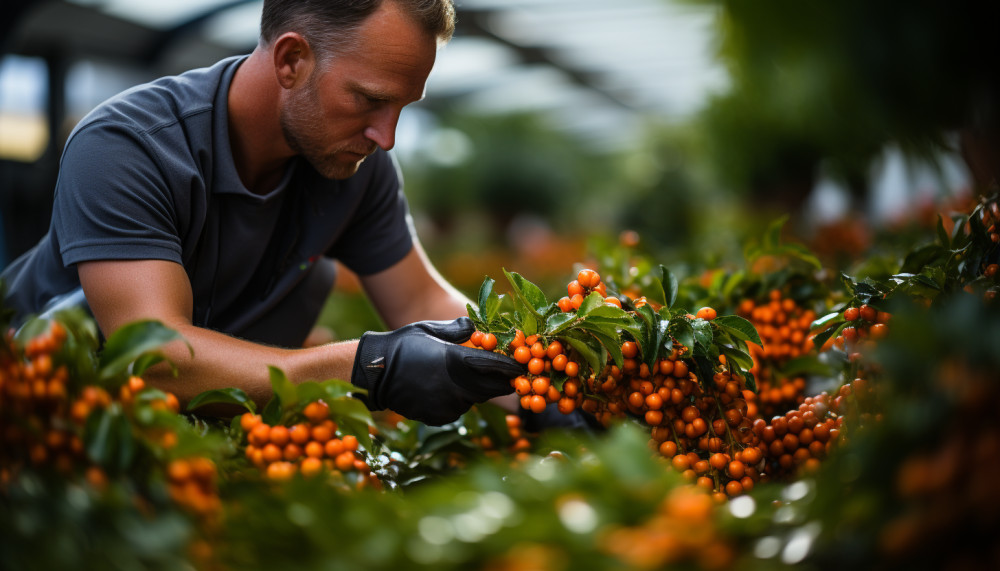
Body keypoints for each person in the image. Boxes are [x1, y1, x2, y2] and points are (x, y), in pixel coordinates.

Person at [0, 0, 523, 426]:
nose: (385, 138)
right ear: (291, 59)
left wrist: (532, 381)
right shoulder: (130, 147)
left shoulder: (357, 168)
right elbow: (154, 355)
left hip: (193, 443)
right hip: (48, 432)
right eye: (368, 99)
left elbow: (416, 296)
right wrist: (364, 368)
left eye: (402, 109)